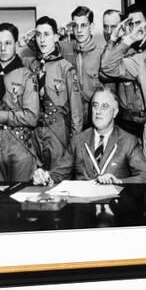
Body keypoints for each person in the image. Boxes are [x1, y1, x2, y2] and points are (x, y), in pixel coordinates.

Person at [100, 4, 146, 182]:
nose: (136, 28)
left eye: (139, 23)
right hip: (128, 123)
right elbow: (104, 70)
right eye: (131, 24)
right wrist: (116, 41)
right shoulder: (125, 49)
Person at [30, 16, 83, 185]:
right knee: (38, 181)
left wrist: (75, 145)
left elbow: (77, 113)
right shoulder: (32, 66)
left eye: (47, 34)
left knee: (59, 182)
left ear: (55, 37)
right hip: (36, 134)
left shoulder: (66, 68)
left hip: (58, 135)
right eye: (38, 34)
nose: (42, 39)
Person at [0, 23, 40, 181]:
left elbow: (32, 117)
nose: (2, 48)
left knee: (20, 199)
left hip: (18, 144)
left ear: (16, 44)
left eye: (8, 43)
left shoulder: (26, 76)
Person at [68, 87, 146, 184]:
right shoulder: (78, 140)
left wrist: (118, 181)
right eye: (95, 106)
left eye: (104, 106)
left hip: (114, 198)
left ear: (115, 112)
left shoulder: (128, 141)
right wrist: (48, 176)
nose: (98, 111)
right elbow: (58, 174)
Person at [70, 6, 105, 127]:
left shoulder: (102, 53)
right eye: (75, 26)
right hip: (74, 118)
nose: (79, 30)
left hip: (96, 116)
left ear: (92, 27)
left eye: (83, 25)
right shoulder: (67, 51)